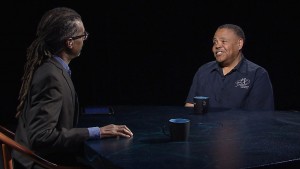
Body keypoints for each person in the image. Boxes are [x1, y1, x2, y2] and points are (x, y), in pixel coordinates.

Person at [13, 7, 133, 169]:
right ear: (69, 42)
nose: (84, 39)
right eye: (82, 35)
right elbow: (41, 137)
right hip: (42, 164)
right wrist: (98, 132)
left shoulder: (53, 68)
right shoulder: (51, 76)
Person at [185, 24, 274, 111]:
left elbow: (261, 118)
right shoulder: (203, 71)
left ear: (239, 44)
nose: (217, 46)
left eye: (223, 41)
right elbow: (190, 106)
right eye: (215, 42)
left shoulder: (257, 74)